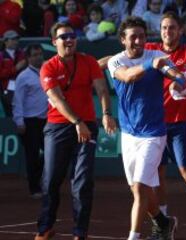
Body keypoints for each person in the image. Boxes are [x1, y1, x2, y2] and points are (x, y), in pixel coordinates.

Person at [34, 22, 117, 240]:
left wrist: (107, 113)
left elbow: (101, 89)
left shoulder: (89, 61)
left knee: (82, 183)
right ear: (54, 42)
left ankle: (80, 232)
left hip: (87, 126)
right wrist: (76, 121)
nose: (69, 40)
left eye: (72, 36)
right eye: (63, 37)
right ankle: (45, 228)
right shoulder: (48, 67)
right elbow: (57, 99)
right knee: (51, 180)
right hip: (57, 127)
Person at [107, 16, 186, 240]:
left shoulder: (158, 56)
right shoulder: (117, 61)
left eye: (142, 36)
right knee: (137, 189)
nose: (139, 41)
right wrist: (151, 65)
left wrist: (178, 77)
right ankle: (163, 223)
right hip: (129, 135)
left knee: (140, 188)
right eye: (133, 37)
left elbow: (176, 75)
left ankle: (134, 237)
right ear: (123, 39)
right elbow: (127, 76)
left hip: (153, 134)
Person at [145, 12, 186, 239]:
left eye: (172, 28)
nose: (167, 32)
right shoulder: (150, 49)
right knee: (159, 174)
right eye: (164, 28)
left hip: (179, 124)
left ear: (180, 31)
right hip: (154, 125)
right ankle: (164, 224)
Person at [12, 44, 47, 199]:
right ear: (28, 58)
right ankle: (34, 188)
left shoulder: (48, 71)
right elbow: (17, 101)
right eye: (34, 55)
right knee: (32, 155)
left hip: (48, 120)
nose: (38, 57)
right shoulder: (23, 76)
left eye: (40, 54)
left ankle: (38, 177)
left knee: (50, 154)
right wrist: (19, 121)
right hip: (30, 121)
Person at [0, 30, 27, 117]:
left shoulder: (22, 53)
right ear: (6, 41)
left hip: (22, 88)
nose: (16, 42)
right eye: (13, 39)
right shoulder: (1, 55)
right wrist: (15, 69)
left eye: (16, 39)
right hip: (7, 91)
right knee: (10, 114)